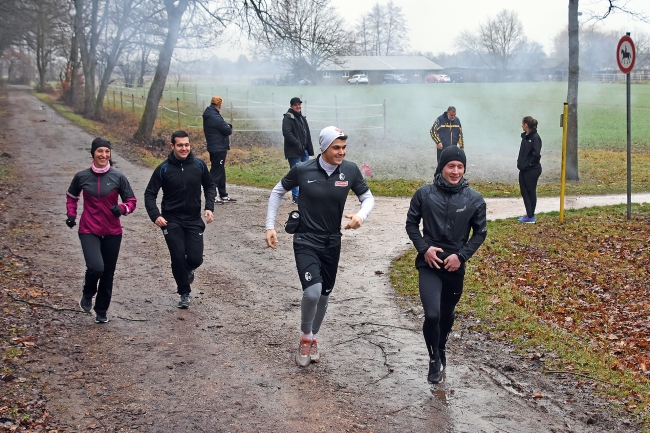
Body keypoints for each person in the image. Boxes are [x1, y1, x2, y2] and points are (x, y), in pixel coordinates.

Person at [265, 126, 374, 367]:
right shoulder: (303, 170)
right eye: (337, 147)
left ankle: (313, 337)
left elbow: (368, 197)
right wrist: (269, 226)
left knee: (324, 294)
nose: (341, 152)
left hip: (332, 241)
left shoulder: (350, 170)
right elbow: (277, 191)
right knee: (312, 292)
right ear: (324, 148)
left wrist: (361, 216)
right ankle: (305, 338)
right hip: (305, 239)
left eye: (344, 147)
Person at [405, 146, 487, 384]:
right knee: (432, 315)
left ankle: (441, 347)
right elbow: (411, 225)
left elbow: (480, 233)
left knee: (446, 315)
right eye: (451, 166)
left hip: (455, 266)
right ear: (442, 167)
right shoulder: (424, 194)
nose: (456, 171)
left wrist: (461, 257)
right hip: (429, 263)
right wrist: (424, 248)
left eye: (460, 166)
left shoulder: (474, 199)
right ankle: (433, 359)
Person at [66, 138, 137, 323]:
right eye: (100, 151)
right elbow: (72, 196)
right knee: (96, 267)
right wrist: (71, 215)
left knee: (108, 273)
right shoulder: (82, 176)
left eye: (107, 151)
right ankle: (88, 292)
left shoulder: (118, 177)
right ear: (93, 153)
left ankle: (101, 311)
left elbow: (132, 201)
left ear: (110, 154)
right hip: (89, 229)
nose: (103, 155)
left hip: (113, 231)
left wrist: (122, 209)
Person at [144, 130, 215, 309]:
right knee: (177, 256)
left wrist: (209, 207)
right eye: (180, 145)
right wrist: (156, 215)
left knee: (195, 258)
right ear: (172, 146)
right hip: (171, 219)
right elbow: (150, 194)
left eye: (187, 145)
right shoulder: (163, 168)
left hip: (193, 219)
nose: (184, 148)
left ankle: (187, 270)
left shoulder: (199, 165)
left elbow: (209, 186)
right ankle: (184, 292)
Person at [282, 97, 315, 205]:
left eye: (299, 104)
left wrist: (308, 147)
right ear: (291, 106)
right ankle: (296, 196)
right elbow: (287, 133)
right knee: (296, 174)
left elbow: (307, 134)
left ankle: (303, 196)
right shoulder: (288, 117)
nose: (298, 106)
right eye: (296, 105)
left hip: (304, 150)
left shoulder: (301, 117)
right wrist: (297, 144)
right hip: (294, 151)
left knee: (305, 173)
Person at [203, 95, 235, 204]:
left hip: (216, 147)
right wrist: (228, 126)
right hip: (218, 148)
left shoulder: (210, 114)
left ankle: (223, 194)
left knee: (220, 170)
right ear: (219, 105)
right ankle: (212, 196)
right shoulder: (214, 117)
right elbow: (227, 130)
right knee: (216, 172)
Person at [517, 116, 542, 224]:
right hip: (523, 170)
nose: (521, 125)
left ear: (526, 124)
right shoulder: (525, 137)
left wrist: (528, 165)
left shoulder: (536, 138)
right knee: (524, 192)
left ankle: (531, 216)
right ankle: (529, 214)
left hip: (532, 170)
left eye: (522, 123)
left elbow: (536, 155)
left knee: (530, 192)